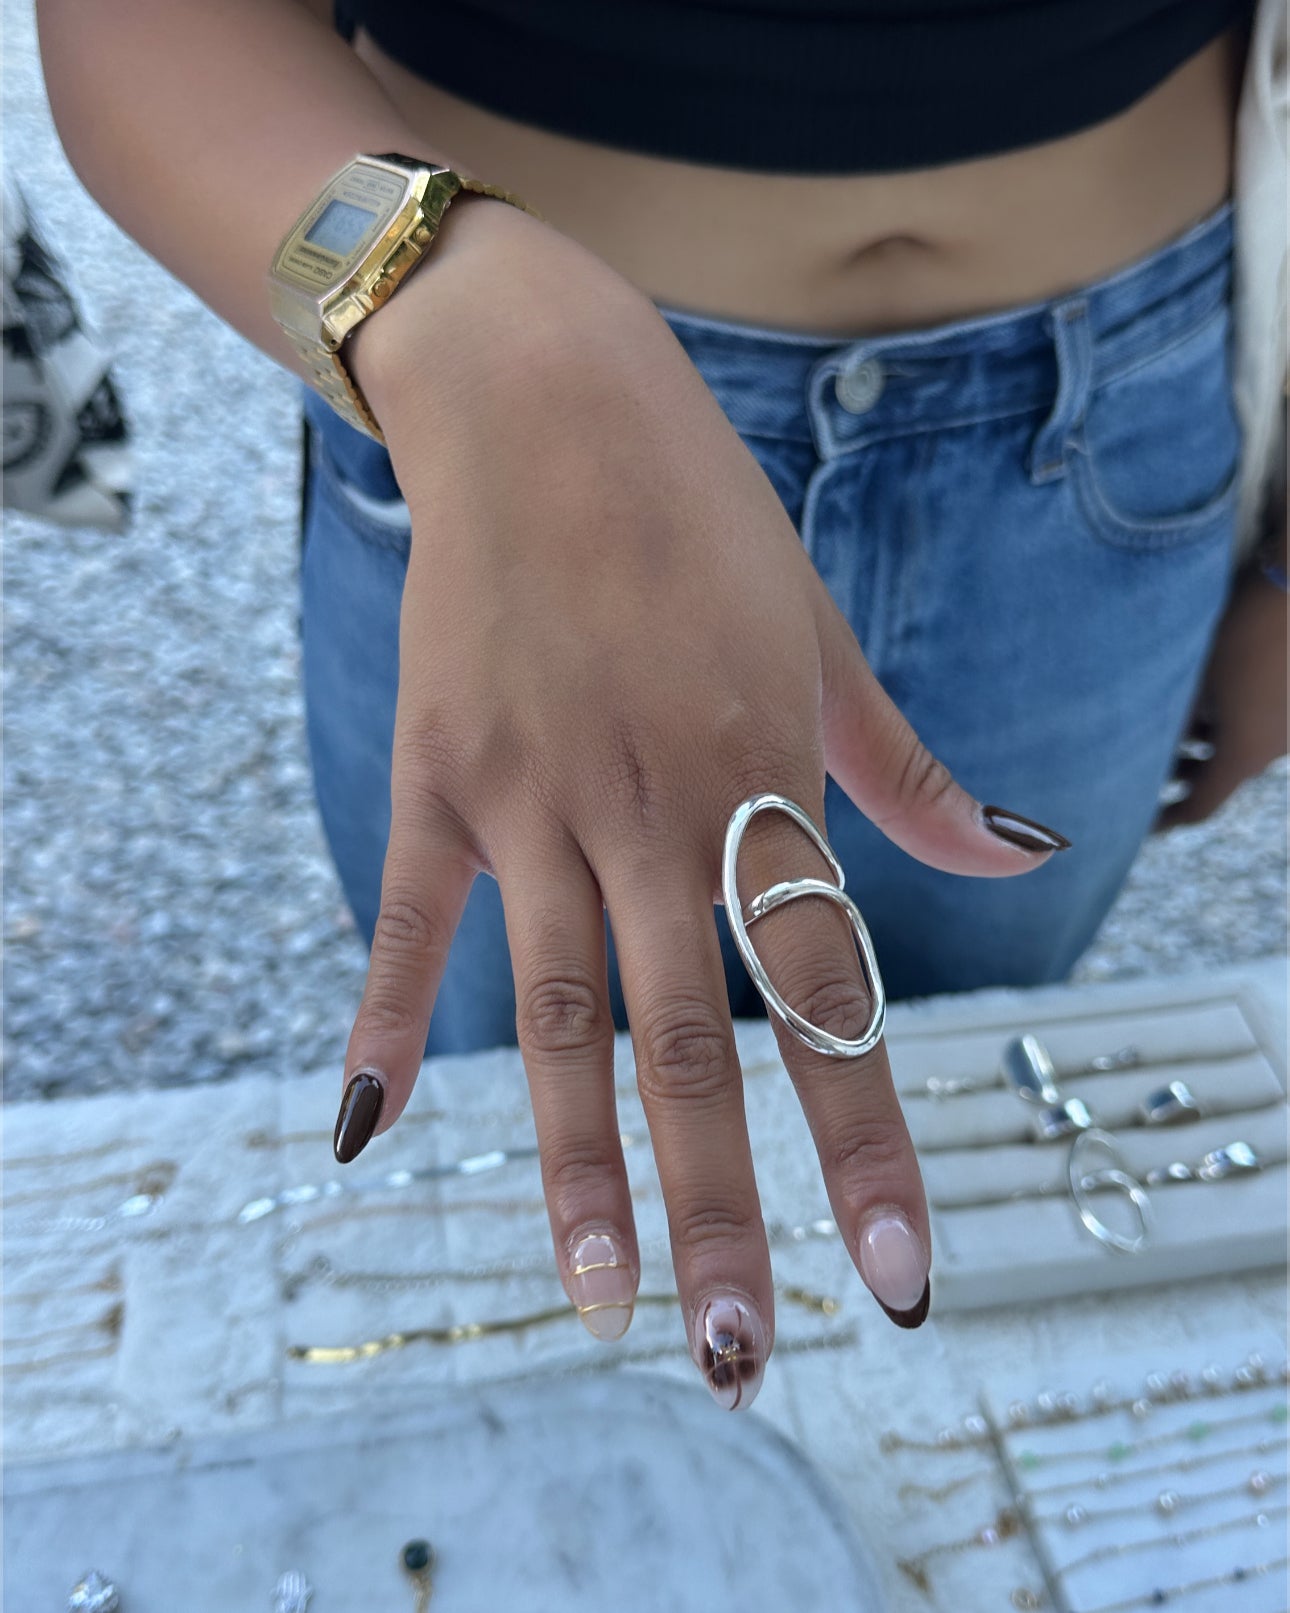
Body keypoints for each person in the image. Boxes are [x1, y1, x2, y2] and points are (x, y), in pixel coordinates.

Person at [38, 0, 1287, 1411]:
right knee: (550, 1137)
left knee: (944, 1103)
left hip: (1107, 425)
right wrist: (459, 313)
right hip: (501, 456)